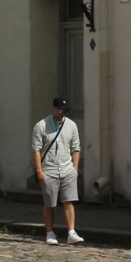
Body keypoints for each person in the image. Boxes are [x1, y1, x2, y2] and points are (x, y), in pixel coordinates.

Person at [32, 96, 83, 245]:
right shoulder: (41, 126)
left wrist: (75, 168)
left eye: (65, 111)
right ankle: (50, 233)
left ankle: (71, 232)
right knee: (50, 204)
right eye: (60, 111)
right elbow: (36, 150)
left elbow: (76, 148)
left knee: (69, 201)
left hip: (67, 169)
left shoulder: (71, 125)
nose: (62, 114)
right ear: (53, 109)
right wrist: (39, 171)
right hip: (49, 170)